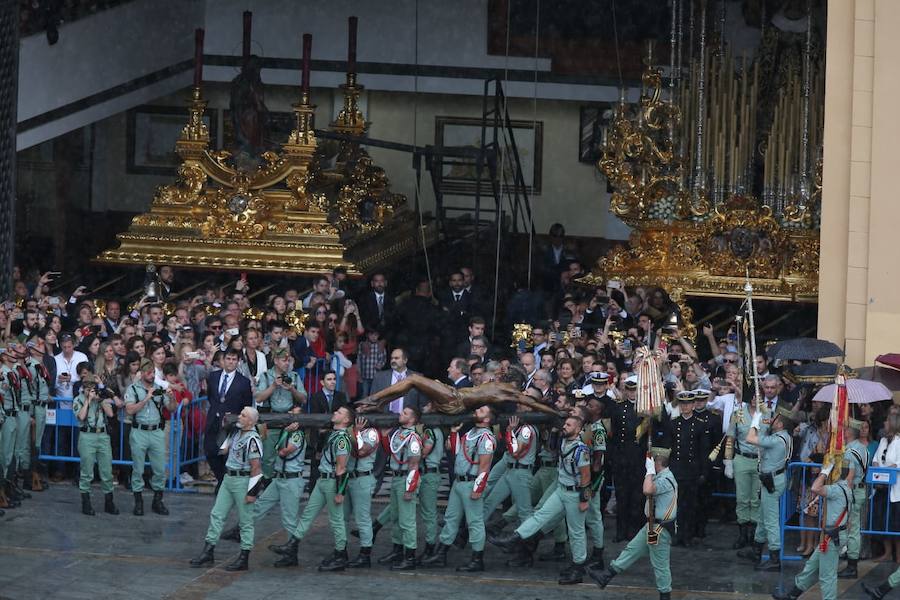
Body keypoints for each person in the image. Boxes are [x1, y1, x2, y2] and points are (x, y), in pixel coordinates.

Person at [490, 414, 592, 584]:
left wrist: (584, 499)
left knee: (576, 532)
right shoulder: (563, 442)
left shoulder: (581, 450)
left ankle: (578, 567)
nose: (564, 426)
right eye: (565, 423)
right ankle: (515, 537)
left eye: (569, 424)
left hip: (575, 493)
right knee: (541, 514)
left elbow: (586, 476)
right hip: (561, 489)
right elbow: (551, 446)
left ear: (578, 429)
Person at [272, 405, 354, 572]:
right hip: (323, 480)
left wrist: (340, 491)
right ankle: (292, 544)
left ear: (346, 420)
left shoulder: (342, 439)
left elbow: (342, 467)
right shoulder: (334, 435)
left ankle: (341, 554)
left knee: (336, 520)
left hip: (331, 481)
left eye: (339, 412)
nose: (335, 413)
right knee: (308, 514)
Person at [590, 445, 677, 600]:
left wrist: (649, 472)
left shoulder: (666, 479)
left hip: (660, 530)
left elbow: (647, 490)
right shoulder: (662, 477)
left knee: (660, 565)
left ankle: (665, 595)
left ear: (657, 462)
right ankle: (607, 576)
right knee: (632, 550)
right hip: (651, 525)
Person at [189, 406, 264, 572]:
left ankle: (244, 556)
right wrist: (224, 427)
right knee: (217, 514)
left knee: (245, 520)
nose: (239, 417)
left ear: (251, 422)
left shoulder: (253, 440)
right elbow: (222, 450)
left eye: (243, 415)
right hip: (229, 478)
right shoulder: (235, 433)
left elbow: (256, 468)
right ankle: (208, 550)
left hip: (243, 480)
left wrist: (252, 492)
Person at [422, 405, 496, 572]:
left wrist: (478, 489)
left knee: (475, 522)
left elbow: (484, 467)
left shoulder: (486, 438)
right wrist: (454, 433)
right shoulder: (471, 433)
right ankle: (441, 554)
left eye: (481, 411)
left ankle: (477, 559)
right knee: (451, 518)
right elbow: (457, 452)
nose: (476, 411)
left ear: (488, 419)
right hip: (459, 481)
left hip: (471, 482)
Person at [772, 458, 852, 600]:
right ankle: (792, 595)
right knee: (811, 567)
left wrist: (824, 473)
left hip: (831, 537)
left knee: (827, 576)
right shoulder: (846, 488)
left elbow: (815, 488)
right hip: (831, 535)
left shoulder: (837, 490)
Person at [739, 405, 799, 571]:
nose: (772, 421)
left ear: (780, 424)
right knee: (763, 517)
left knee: (771, 520)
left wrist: (755, 421)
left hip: (771, 480)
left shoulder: (776, 440)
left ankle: (774, 558)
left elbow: (750, 438)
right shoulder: (784, 437)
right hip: (773, 479)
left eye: (775, 420)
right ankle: (757, 550)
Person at [124, 358, 175, 516]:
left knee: (160, 469)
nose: (151, 375)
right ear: (142, 373)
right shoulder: (133, 389)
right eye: (148, 372)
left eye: (153, 372)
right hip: (139, 430)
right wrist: (146, 398)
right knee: (138, 469)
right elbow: (130, 410)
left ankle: (157, 500)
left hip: (156, 431)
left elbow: (172, 408)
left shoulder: (160, 387)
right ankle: (138, 501)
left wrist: (172, 397)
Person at [376, 407, 422, 570]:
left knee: (407, 520)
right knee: (395, 517)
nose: (400, 414)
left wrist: (410, 489)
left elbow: (414, 464)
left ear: (412, 419)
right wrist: (383, 437)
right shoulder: (398, 433)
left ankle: (410, 557)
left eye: (405, 413)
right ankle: (397, 550)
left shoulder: (413, 437)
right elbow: (393, 452)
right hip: (396, 477)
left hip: (405, 479)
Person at [663, 390, 709, 547]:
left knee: (690, 505)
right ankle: (676, 535)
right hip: (676, 467)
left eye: (688, 403)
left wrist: (704, 471)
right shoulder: (673, 423)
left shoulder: (700, 425)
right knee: (674, 505)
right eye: (682, 403)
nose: (685, 406)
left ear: (694, 404)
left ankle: (688, 535)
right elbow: (668, 447)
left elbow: (703, 450)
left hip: (692, 469)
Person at [204, 348, 254, 486]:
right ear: (223, 360)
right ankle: (221, 479)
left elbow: (247, 403)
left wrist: (237, 418)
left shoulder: (243, 381)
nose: (231, 362)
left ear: (238, 362)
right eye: (228, 359)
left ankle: (223, 483)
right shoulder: (214, 376)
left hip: (231, 423)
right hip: (214, 419)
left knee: (226, 454)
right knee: (210, 451)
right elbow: (211, 396)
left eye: (234, 359)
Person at [254, 347, 306, 478]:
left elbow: (304, 399)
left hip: (289, 418)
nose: (287, 363)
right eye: (284, 360)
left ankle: (283, 479)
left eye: (288, 360)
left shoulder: (294, 376)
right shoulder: (266, 376)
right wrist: (273, 386)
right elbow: (259, 398)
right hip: (271, 419)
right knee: (268, 456)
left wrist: (292, 389)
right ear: (276, 361)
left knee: (287, 453)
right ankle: (267, 481)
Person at [72, 374, 118, 515]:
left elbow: (110, 414)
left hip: (102, 435)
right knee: (86, 471)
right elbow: (81, 416)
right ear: (83, 389)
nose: (91, 391)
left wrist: (102, 399)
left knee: (106, 471)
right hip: (87, 436)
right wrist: (88, 400)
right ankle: (86, 503)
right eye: (88, 389)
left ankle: (109, 502)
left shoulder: (101, 398)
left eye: (93, 388)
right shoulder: (78, 399)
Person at [723, 391, 762, 550]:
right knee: (742, 498)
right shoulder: (738, 414)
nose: (755, 399)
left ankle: (754, 534)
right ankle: (743, 534)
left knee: (756, 499)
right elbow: (730, 438)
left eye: (758, 396)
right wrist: (728, 461)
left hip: (760, 460)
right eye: (753, 395)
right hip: (742, 458)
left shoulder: (767, 414)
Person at [344, 416, 380, 569]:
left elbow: (362, 450)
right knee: (342, 517)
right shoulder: (351, 431)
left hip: (362, 478)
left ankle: (365, 555)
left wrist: (357, 432)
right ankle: (341, 550)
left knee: (363, 518)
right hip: (348, 477)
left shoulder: (371, 433)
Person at [838, 417, 870, 579]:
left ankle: (852, 565)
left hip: (852, 492)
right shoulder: (863, 449)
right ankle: (852, 564)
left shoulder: (849, 453)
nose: (843, 431)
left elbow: (847, 478)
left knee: (852, 529)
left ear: (850, 432)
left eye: (845, 429)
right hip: (860, 490)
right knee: (854, 528)